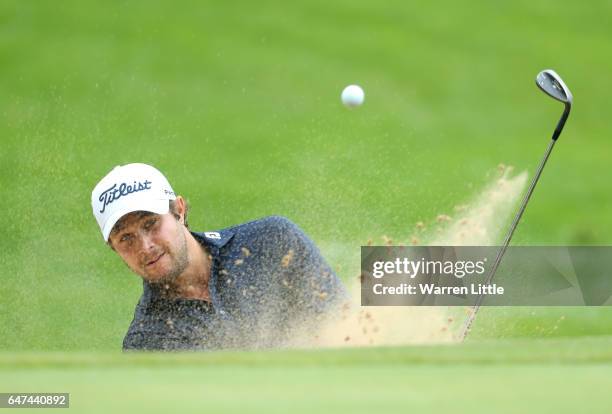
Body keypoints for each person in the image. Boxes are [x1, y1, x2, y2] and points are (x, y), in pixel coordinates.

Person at [91, 163, 348, 351]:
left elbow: (349, 321)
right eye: (126, 238)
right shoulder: (148, 341)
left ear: (178, 211)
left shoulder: (271, 240)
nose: (145, 247)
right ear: (114, 248)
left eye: (151, 224)